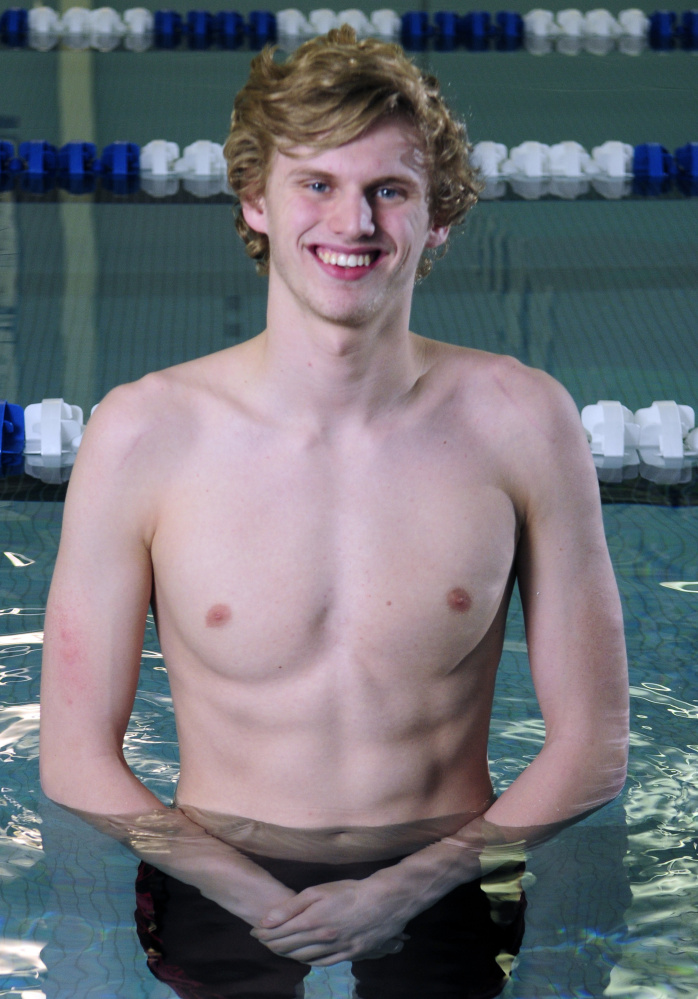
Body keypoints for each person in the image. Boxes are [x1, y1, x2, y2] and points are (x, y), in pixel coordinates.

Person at [39, 26, 629, 998]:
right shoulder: (142, 434)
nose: (350, 222)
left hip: (447, 869)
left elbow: (593, 745)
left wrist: (412, 886)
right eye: (316, 183)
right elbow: (72, 756)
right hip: (213, 874)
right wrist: (246, 894)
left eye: (386, 190)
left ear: (435, 216)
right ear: (253, 199)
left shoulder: (522, 422)